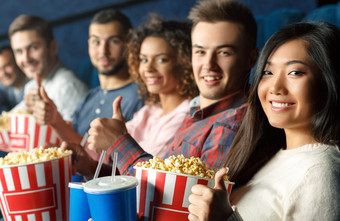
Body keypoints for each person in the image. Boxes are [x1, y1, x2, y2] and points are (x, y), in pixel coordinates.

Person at [187, 22, 340, 221]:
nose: (275, 87)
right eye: (267, 72)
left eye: (295, 72)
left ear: (329, 82)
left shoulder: (321, 171)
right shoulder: (271, 153)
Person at [65, 0, 259, 179]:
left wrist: (119, 144)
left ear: (251, 59)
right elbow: (162, 174)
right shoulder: (198, 111)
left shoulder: (230, 124)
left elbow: (176, 201)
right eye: (200, 51)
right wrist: (92, 168)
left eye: (224, 52)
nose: (208, 64)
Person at [86, 15, 198, 160]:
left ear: (184, 63)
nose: (148, 68)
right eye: (144, 59)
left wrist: (114, 141)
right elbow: (101, 152)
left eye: (161, 59)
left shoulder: (187, 116)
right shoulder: (150, 110)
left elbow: (147, 168)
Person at [31, 9, 144, 146]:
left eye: (113, 41)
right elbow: (79, 151)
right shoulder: (89, 98)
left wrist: (56, 120)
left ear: (129, 44)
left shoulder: (138, 97)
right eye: (96, 42)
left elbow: (115, 161)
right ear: (89, 44)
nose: (103, 51)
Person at [9, 14, 88, 121]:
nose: (26, 58)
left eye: (33, 48)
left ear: (53, 47)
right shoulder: (31, 86)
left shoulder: (67, 86)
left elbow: (83, 137)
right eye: (19, 51)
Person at [0, 45, 27, 111]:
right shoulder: (3, 87)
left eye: (7, 66)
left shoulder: (35, 84)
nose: (3, 73)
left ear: (17, 62)